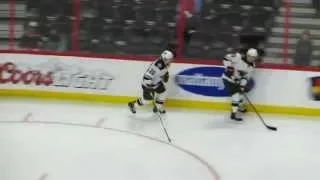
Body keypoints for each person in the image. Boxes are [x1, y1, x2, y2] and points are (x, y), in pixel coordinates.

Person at [128, 50, 175, 114]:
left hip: (157, 83)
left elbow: (162, 72)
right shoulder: (157, 65)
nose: (171, 61)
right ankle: (133, 105)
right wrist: (148, 87)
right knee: (147, 100)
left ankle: (158, 107)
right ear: (165, 59)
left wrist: (165, 74)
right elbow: (148, 76)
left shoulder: (163, 63)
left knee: (163, 93)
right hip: (148, 84)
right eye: (169, 59)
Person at [222, 48, 258, 121]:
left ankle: (240, 108)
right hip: (228, 80)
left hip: (237, 81)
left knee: (241, 95)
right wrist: (229, 68)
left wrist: (242, 85)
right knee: (236, 96)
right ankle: (233, 114)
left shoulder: (252, 66)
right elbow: (226, 58)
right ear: (247, 55)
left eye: (253, 57)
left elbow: (246, 77)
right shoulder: (238, 57)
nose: (251, 59)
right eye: (250, 56)